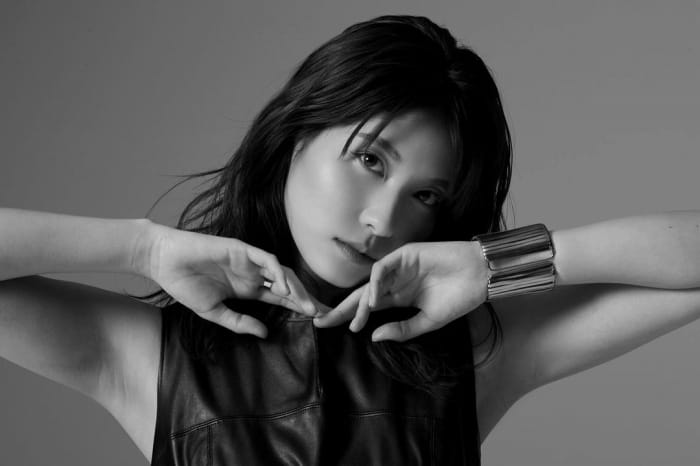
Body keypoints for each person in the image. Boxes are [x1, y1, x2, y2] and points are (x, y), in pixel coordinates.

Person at [1, 14, 699, 465]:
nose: (382, 220)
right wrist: (145, 250)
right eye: (371, 160)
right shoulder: (152, 356)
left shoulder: (475, 357)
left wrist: (492, 264)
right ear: (297, 136)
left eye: (426, 196)